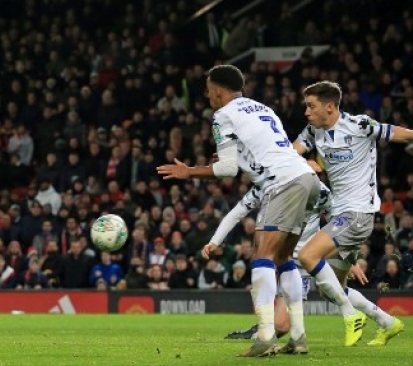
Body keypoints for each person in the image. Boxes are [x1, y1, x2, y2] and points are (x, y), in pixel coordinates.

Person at [157, 64, 320, 356]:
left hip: (280, 183)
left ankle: (266, 336)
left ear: (218, 91)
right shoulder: (263, 109)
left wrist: (189, 172)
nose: (207, 97)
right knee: (284, 258)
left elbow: (228, 169)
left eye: (208, 91)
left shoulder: (222, 115)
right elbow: (259, 151)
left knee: (262, 256)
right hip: (306, 178)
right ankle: (297, 336)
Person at [207, 181, 400, 349]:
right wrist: (215, 240)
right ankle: (386, 321)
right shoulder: (266, 186)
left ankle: (261, 333)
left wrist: (349, 256)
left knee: (282, 325)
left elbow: (340, 218)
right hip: (293, 258)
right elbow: (238, 211)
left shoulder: (318, 190)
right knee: (334, 290)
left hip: (305, 258)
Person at [293, 81, 407, 346]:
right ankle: (388, 322)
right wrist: (302, 160)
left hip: (358, 214)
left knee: (308, 255)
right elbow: (289, 153)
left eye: (311, 106)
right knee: (332, 288)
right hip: (340, 217)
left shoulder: (360, 126)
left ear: (330, 106)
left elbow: (399, 133)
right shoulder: (313, 131)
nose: (306, 112)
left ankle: (350, 315)